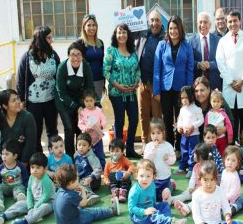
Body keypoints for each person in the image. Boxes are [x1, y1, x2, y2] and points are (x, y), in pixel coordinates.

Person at [153, 15, 194, 158]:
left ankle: (179, 149)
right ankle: (169, 147)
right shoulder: (161, 45)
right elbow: (157, 69)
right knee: (167, 119)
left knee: (181, 119)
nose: (173, 31)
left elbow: (190, 69)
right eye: (171, 28)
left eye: (175, 28)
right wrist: (156, 91)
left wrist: (188, 91)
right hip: (165, 89)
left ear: (180, 29)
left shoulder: (187, 46)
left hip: (181, 89)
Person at [16, 26, 60, 152]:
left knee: (52, 131)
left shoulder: (53, 55)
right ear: (41, 39)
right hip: (33, 102)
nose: (51, 40)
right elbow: (20, 79)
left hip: (51, 100)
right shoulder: (27, 57)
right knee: (35, 132)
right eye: (49, 37)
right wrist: (21, 100)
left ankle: (54, 157)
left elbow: (59, 74)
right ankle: (38, 160)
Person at [216, 10, 243, 144]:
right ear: (227, 23)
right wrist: (231, 82)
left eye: (235, 20)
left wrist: (242, 81)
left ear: (240, 21)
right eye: (229, 21)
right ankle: (231, 146)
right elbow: (220, 63)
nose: (232, 24)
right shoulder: (223, 41)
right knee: (230, 117)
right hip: (229, 85)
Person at [179, 160, 231, 224]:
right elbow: (196, 215)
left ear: (216, 179)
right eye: (205, 180)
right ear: (199, 179)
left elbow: (225, 206)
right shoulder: (197, 194)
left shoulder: (220, 191)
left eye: (212, 179)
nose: (209, 183)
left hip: (216, 223)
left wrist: (227, 216)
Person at [55, 42, 99, 159]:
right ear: (68, 56)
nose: (76, 58)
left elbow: (90, 88)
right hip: (63, 101)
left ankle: (81, 157)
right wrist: (76, 107)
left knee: (81, 129)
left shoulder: (86, 66)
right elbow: (61, 93)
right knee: (69, 128)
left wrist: (97, 105)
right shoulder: (62, 68)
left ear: (83, 56)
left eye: (78, 55)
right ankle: (70, 158)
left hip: (80, 99)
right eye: (72, 55)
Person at [103, 22, 141, 159]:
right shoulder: (111, 50)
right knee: (119, 121)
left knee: (134, 120)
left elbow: (137, 70)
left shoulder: (132, 50)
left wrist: (136, 83)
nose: (122, 35)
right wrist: (118, 86)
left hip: (131, 93)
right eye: (119, 32)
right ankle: (118, 151)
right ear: (115, 35)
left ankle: (130, 149)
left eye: (124, 32)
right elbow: (106, 71)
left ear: (128, 35)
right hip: (116, 93)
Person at [0, 152, 55, 224]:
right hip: (34, 200)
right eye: (32, 167)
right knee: (20, 204)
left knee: (43, 208)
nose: (34, 170)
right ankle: (4, 216)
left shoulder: (46, 180)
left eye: (38, 168)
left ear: (45, 169)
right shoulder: (32, 177)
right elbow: (29, 191)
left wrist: (34, 207)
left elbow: (46, 196)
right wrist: (30, 205)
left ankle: (24, 221)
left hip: (47, 203)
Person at [128, 159, 187, 224]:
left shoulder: (152, 185)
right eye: (141, 176)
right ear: (136, 176)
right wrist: (145, 212)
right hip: (138, 216)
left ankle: (168, 219)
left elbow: (153, 198)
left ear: (153, 177)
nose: (144, 179)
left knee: (165, 204)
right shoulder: (135, 191)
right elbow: (131, 208)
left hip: (150, 208)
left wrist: (154, 207)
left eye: (148, 176)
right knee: (154, 215)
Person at [53, 163, 120, 224]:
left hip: (61, 222)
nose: (78, 180)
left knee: (79, 205)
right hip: (73, 222)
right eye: (76, 178)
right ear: (71, 182)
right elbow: (84, 202)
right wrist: (82, 190)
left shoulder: (60, 190)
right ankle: (113, 211)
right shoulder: (70, 195)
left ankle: (110, 210)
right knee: (94, 212)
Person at [135, 10, 165, 154]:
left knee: (157, 116)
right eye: (152, 20)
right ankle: (145, 143)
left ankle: (158, 144)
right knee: (143, 114)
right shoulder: (142, 34)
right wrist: (129, 14)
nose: (154, 23)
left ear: (161, 23)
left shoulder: (165, 37)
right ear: (148, 22)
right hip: (142, 82)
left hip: (157, 84)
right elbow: (125, 33)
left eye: (157, 20)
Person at [171, 143, 214, 216]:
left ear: (200, 159)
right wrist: (191, 188)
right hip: (194, 190)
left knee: (198, 201)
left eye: (194, 153)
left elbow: (210, 184)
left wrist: (199, 190)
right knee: (185, 194)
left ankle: (188, 208)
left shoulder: (210, 169)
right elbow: (193, 179)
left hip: (205, 192)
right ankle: (172, 200)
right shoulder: (196, 167)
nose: (193, 154)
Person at [0, 89, 36, 166]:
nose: (18, 102)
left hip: (24, 161)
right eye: (13, 101)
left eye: (17, 98)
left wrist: (23, 164)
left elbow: (30, 143)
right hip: (3, 162)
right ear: (5, 106)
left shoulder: (28, 117)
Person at [144, 118, 176, 202]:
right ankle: (171, 185)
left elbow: (173, 159)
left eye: (158, 133)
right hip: (153, 179)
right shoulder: (149, 146)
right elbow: (146, 160)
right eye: (153, 133)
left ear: (163, 133)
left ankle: (171, 186)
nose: (156, 136)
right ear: (150, 134)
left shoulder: (168, 145)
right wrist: (153, 149)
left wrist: (168, 159)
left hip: (165, 177)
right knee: (153, 197)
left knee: (165, 195)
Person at [174, 86, 204, 178]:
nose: (184, 100)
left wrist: (192, 126)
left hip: (194, 135)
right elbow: (180, 119)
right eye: (182, 98)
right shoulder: (182, 109)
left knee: (192, 152)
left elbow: (201, 120)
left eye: (186, 97)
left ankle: (192, 169)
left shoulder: (196, 109)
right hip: (184, 136)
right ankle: (183, 167)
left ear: (191, 97)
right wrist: (180, 127)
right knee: (184, 151)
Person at [0, 140, 29, 211]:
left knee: (20, 189)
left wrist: (27, 189)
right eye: (2, 154)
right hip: (6, 186)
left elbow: (26, 178)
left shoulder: (20, 166)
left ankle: (20, 198)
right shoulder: (1, 167)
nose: (4, 157)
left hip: (17, 186)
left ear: (15, 156)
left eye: (7, 154)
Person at [188, 12, 222, 91]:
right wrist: (198, 64)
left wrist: (210, 65)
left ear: (210, 25)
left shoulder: (218, 40)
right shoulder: (190, 41)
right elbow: (188, 61)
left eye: (205, 22)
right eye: (200, 22)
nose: (202, 25)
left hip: (214, 83)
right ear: (197, 24)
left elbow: (222, 61)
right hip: (197, 84)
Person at [76, 14, 105, 99]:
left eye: (94, 25)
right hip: (85, 82)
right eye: (89, 25)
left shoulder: (100, 43)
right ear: (84, 27)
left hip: (99, 81)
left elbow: (101, 63)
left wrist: (104, 83)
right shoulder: (79, 43)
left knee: (96, 108)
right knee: (86, 109)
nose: (92, 28)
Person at [78, 89, 107, 165]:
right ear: (83, 101)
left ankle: (103, 167)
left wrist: (101, 125)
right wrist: (85, 129)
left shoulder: (98, 110)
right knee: (87, 153)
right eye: (86, 101)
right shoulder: (83, 112)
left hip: (97, 136)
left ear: (94, 100)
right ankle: (88, 168)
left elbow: (104, 120)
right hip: (87, 137)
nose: (89, 103)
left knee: (99, 153)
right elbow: (80, 124)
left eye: (91, 100)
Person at [73, 133, 102, 206]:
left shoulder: (91, 157)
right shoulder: (76, 155)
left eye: (84, 145)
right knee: (74, 185)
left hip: (93, 180)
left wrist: (90, 178)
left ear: (89, 146)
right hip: (81, 179)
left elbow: (98, 169)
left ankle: (91, 195)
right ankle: (81, 194)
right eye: (79, 145)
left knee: (83, 184)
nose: (81, 147)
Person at [104, 138, 135, 203]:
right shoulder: (108, 163)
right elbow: (106, 174)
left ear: (122, 151)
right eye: (112, 151)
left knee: (125, 181)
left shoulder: (124, 159)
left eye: (117, 151)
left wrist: (128, 173)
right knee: (111, 177)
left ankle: (122, 192)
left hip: (123, 180)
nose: (114, 153)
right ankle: (114, 192)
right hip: (114, 182)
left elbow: (132, 165)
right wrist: (106, 181)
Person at [204, 90, 233, 155]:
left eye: (218, 101)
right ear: (210, 102)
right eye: (214, 101)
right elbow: (205, 126)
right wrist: (205, 138)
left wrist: (230, 136)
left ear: (221, 102)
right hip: (211, 139)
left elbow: (229, 125)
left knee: (222, 153)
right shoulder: (208, 114)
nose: (216, 104)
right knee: (211, 154)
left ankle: (221, 164)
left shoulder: (223, 113)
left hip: (222, 138)